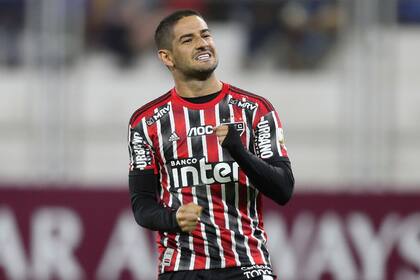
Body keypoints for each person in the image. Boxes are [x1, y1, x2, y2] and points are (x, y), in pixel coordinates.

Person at [127, 9, 294, 280]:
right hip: (182, 268)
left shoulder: (254, 110)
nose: (203, 43)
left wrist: (239, 151)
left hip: (247, 265)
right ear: (166, 57)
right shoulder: (147, 122)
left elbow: (283, 188)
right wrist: (174, 219)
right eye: (188, 39)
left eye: (206, 35)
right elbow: (142, 206)